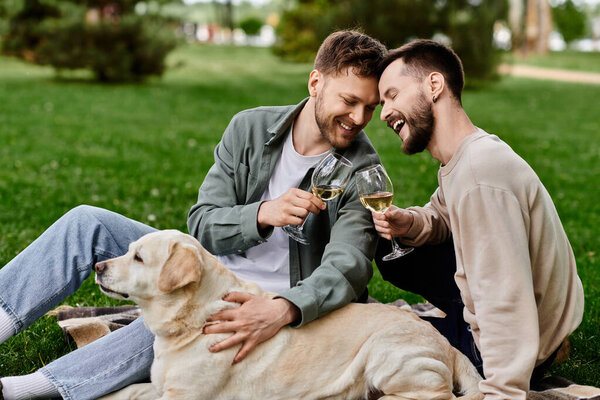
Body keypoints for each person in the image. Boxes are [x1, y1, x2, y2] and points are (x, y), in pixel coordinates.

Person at [0, 30, 385, 400]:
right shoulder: (250, 128)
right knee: (87, 223)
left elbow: (346, 269)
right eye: (349, 100)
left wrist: (284, 308)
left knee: (173, 319)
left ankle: (23, 388)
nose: (360, 117)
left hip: (270, 300)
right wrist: (262, 214)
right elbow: (203, 223)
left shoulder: (362, 170)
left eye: (371, 107)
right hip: (206, 265)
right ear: (315, 83)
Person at [372, 39, 585, 400]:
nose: (383, 112)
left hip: (509, 345)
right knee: (391, 251)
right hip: (518, 320)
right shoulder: (466, 155)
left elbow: (502, 296)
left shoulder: (479, 176)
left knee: (376, 341)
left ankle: (528, 354)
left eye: (392, 95)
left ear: (434, 85)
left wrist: (502, 390)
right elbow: (441, 213)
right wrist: (410, 224)